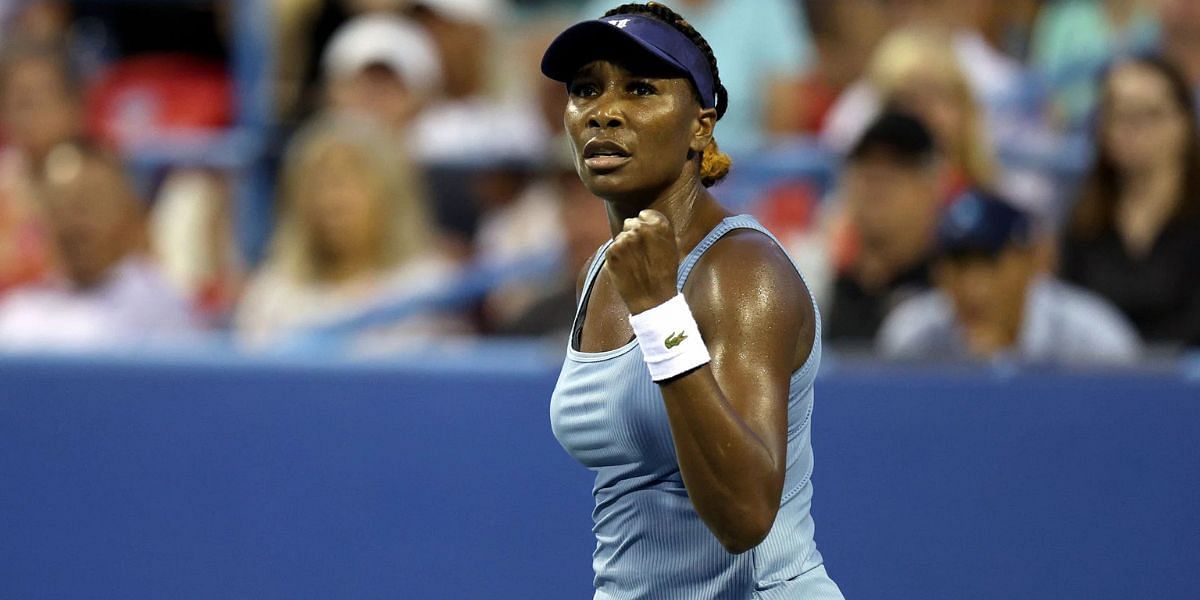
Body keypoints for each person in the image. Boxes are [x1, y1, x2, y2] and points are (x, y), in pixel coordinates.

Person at [542, 4, 842, 598]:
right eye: (585, 90)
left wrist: (659, 314)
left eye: (641, 89)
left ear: (701, 126)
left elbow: (745, 516)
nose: (604, 111)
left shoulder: (745, 272)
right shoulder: (601, 272)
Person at [234, 115, 463, 351]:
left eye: (350, 183)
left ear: (390, 195)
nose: (333, 202)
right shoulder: (272, 294)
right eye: (319, 184)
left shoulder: (428, 289)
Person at [879, 189, 1141, 364]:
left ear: (1030, 263)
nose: (972, 286)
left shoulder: (1090, 339)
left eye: (989, 263)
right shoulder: (913, 335)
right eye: (958, 265)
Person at [1060, 56, 1200, 348]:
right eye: (1117, 114)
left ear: (1184, 123)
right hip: (1103, 380)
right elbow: (1069, 315)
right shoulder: (1083, 223)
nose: (1130, 129)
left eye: (1147, 114)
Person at [0, 143, 197, 350]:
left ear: (126, 213)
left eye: (87, 205)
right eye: (60, 207)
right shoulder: (18, 316)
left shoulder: (159, 305)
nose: (74, 224)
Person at [827, 111, 940, 343]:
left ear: (930, 187)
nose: (876, 179)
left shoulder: (951, 290)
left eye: (897, 165)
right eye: (865, 163)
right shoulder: (813, 286)